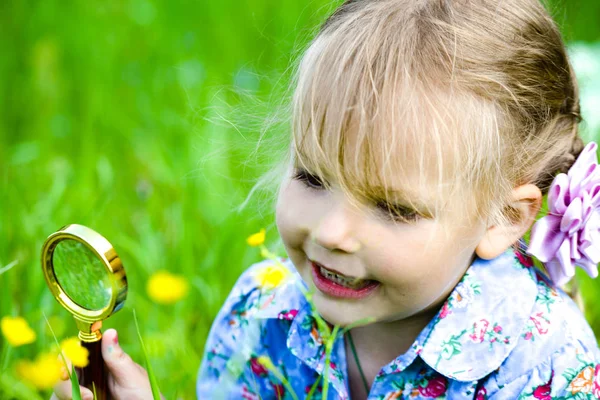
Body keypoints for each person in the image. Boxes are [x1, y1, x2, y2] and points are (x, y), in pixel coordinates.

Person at [53, 0, 600, 399]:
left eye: (394, 208)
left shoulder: (542, 362)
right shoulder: (262, 315)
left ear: (503, 218)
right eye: (313, 178)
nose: (333, 232)